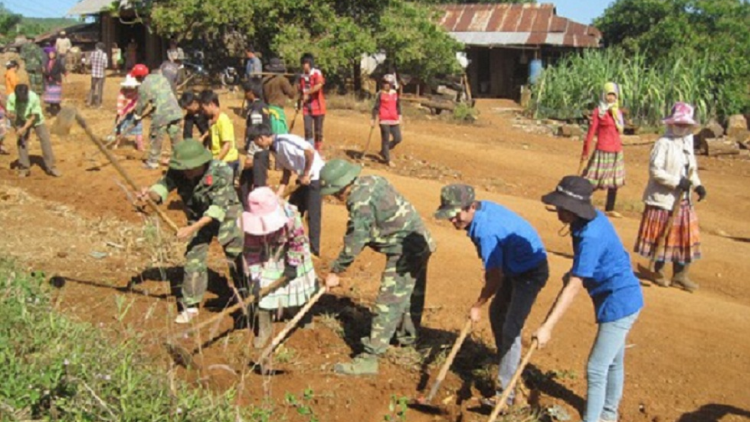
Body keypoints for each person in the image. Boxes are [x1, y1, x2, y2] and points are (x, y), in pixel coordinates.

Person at [535, 175, 643, 422]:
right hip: (615, 296)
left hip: (620, 302)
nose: (557, 211)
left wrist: (546, 328)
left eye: (561, 207)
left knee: (596, 368)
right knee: (613, 361)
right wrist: (575, 272)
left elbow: (574, 287)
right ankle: (608, 414)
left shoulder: (591, 234)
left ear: (572, 209)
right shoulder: (585, 223)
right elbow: (593, 261)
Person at [434, 184, 549, 408]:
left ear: (471, 207)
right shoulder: (478, 213)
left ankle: (506, 395)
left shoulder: (486, 229)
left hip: (530, 272)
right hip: (513, 267)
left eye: (456, 215)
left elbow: (494, 279)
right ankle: (508, 364)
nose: (453, 221)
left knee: (511, 328)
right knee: (497, 313)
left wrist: (478, 305)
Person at [322, 159, 435, 375]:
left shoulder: (359, 202)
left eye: (335, 192)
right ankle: (406, 339)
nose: (335, 197)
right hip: (421, 240)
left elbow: (356, 238)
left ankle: (369, 358)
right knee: (411, 294)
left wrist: (336, 270)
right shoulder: (372, 180)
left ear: (341, 187)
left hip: (406, 250)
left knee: (388, 302)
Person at [138, 139, 244, 323]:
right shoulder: (179, 171)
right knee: (193, 258)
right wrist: (150, 195)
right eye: (183, 168)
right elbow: (163, 187)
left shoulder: (222, 171)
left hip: (227, 217)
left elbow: (217, 209)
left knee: (237, 259)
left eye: (189, 168)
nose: (186, 173)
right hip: (198, 216)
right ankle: (191, 306)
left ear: (201, 163)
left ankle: (246, 299)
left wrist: (190, 229)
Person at [634, 102, 706, 292]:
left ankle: (680, 275)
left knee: (685, 238)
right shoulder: (662, 143)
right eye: (678, 124)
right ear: (671, 124)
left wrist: (698, 186)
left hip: (683, 200)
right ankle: (657, 270)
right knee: (661, 236)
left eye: (685, 125)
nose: (681, 128)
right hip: (663, 200)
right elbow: (655, 171)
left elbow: (691, 171)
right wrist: (676, 182)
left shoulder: (687, 144)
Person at [241, 187, 318, 348]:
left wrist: (292, 264)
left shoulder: (290, 217)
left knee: (298, 286)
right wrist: (254, 278)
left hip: (291, 251)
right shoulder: (251, 230)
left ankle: (302, 316)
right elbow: (251, 253)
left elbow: (297, 242)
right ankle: (264, 330)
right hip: (268, 255)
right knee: (263, 292)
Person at [253, 127, 325, 256]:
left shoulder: (285, 142)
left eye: (257, 142)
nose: (257, 146)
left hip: (314, 176)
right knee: (291, 209)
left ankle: (314, 251)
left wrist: (307, 173)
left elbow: (310, 152)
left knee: (313, 214)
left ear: (262, 138)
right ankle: (289, 244)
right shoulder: (274, 149)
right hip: (302, 177)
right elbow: (286, 173)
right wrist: (278, 196)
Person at [581, 82, 626, 218]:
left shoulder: (617, 113)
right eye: (609, 94)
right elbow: (591, 132)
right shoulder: (599, 112)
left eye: (613, 95)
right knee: (593, 179)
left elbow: (620, 131)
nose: (611, 98)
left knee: (614, 181)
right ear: (604, 96)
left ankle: (609, 208)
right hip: (603, 149)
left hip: (616, 150)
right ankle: (581, 201)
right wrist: (585, 151)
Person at [132, 64, 183, 169]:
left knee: (156, 137)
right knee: (176, 138)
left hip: (161, 114)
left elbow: (141, 104)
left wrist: (137, 115)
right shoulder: (161, 78)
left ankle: (152, 162)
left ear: (139, 77)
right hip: (175, 111)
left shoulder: (144, 85)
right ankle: (179, 160)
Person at [6, 84, 61, 178]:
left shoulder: (33, 97)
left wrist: (23, 129)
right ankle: (24, 168)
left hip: (37, 120)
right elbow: (10, 113)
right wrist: (13, 121)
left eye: (24, 99)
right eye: (20, 99)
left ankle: (51, 167)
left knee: (45, 140)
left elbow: (33, 117)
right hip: (21, 119)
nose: (22, 101)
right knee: (22, 141)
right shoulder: (12, 98)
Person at [238, 80, 271, 201]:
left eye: (246, 92)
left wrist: (251, 154)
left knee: (255, 183)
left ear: (251, 93)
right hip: (261, 150)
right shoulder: (263, 106)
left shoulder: (255, 109)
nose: (245, 95)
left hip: (257, 151)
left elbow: (257, 135)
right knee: (252, 181)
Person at [200, 90, 240, 178]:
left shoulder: (223, 120)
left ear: (211, 104)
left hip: (226, 161)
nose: (203, 111)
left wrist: (216, 161)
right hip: (218, 159)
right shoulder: (213, 120)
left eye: (204, 108)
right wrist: (203, 137)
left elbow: (227, 144)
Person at [371, 76, 402, 167]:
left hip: (394, 119)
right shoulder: (380, 94)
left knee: (398, 138)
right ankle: (387, 159)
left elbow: (398, 105)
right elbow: (375, 108)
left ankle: (384, 151)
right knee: (385, 139)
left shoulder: (395, 93)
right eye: (384, 83)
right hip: (384, 120)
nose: (385, 85)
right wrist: (373, 119)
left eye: (387, 83)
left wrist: (400, 115)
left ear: (391, 84)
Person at [298, 53, 326, 152]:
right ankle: (310, 150)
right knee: (308, 130)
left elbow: (319, 85)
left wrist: (308, 92)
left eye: (305, 63)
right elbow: (300, 90)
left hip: (318, 107)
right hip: (306, 108)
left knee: (318, 131)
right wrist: (300, 100)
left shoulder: (317, 73)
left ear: (310, 63)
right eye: (303, 63)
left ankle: (318, 150)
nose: (304, 65)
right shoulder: (301, 76)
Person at [262, 57, 295, 134]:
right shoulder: (282, 80)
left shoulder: (264, 80)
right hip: (277, 111)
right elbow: (292, 94)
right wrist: (296, 82)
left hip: (268, 109)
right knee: (280, 134)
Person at [112, 75, 144, 151]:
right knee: (119, 128)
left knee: (138, 129)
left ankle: (140, 146)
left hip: (134, 113)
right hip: (123, 112)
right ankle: (117, 143)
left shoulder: (137, 91)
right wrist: (120, 114)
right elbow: (120, 103)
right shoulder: (122, 92)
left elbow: (137, 102)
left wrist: (132, 108)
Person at [42, 50, 65, 115]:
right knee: (51, 96)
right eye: (49, 54)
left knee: (56, 95)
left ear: (55, 55)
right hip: (50, 80)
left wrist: (65, 73)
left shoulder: (57, 62)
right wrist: (44, 72)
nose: (50, 55)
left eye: (52, 54)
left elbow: (62, 69)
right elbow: (46, 71)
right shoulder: (47, 62)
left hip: (56, 80)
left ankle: (57, 108)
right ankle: (53, 108)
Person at [87, 42, 108, 108]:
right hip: (101, 74)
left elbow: (89, 63)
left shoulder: (92, 54)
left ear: (97, 47)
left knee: (92, 88)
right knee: (100, 89)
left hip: (93, 73)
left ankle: (89, 102)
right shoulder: (104, 55)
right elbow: (106, 65)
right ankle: (98, 104)